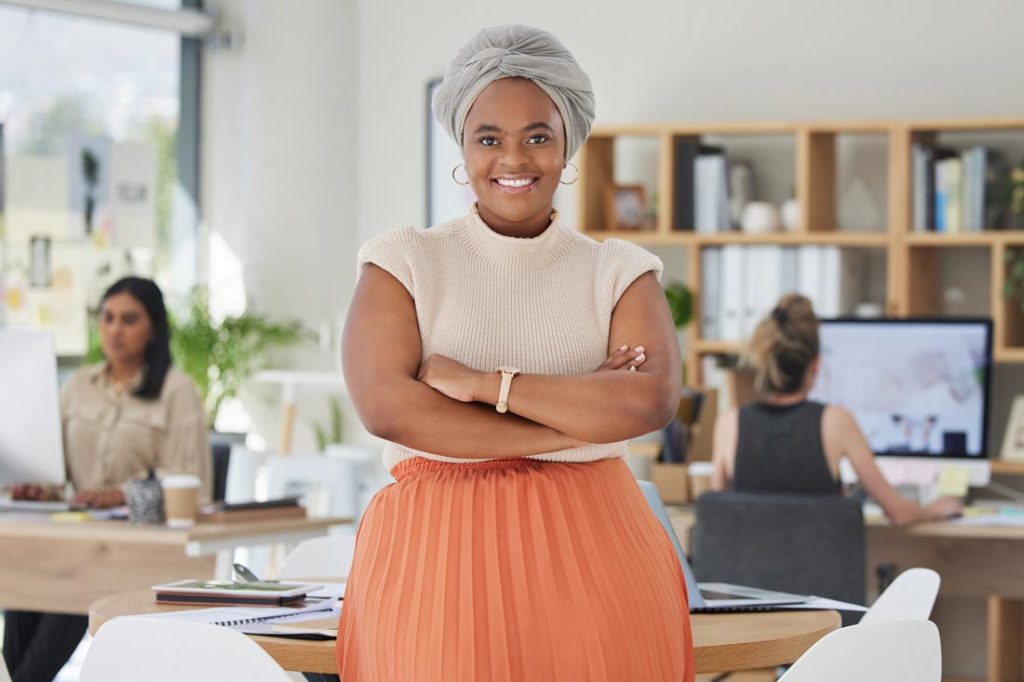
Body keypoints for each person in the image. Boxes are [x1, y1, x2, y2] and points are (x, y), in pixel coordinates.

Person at [338, 25, 693, 682]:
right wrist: (580, 408)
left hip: (601, 555)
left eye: (537, 136)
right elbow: (389, 409)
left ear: (567, 146)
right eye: (489, 139)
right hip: (435, 558)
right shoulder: (404, 260)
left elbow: (647, 400)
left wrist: (483, 383)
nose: (514, 158)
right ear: (463, 148)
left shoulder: (621, 270)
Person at [4, 276, 211, 682]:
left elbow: (194, 486)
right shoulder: (78, 386)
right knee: (24, 583)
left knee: (65, 586)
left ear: (153, 327)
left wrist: (118, 494)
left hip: (130, 547)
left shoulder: (176, 390)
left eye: (129, 319)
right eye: (108, 318)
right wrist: (38, 485)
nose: (115, 330)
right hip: (67, 537)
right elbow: (58, 473)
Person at [710, 293, 962, 526]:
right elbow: (898, 513)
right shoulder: (836, 421)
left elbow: (717, 516)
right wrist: (932, 509)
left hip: (742, 574)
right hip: (818, 572)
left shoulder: (729, 423)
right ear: (815, 366)